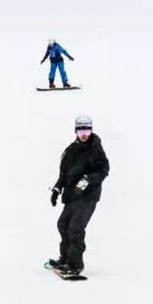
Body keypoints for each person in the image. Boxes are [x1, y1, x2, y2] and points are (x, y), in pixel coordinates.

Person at [48, 115, 110, 275]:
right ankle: (66, 259)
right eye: (81, 130)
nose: (84, 134)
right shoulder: (71, 149)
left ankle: (75, 264)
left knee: (75, 228)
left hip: (88, 196)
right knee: (63, 224)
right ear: (76, 130)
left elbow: (104, 170)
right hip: (72, 196)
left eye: (87, 130)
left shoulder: (95, 148)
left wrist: (87, 180)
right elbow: (64, 173)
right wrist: (57, 189)